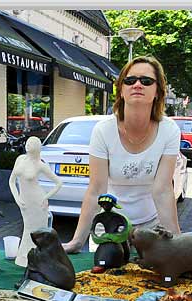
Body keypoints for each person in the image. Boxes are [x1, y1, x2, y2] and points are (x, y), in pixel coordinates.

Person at [63, 56, 181, 254]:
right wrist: (76, 241)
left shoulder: (169, 130)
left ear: (158, 91)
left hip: (150, 229)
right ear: (121, 90)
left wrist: (178, 241)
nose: (137, 85)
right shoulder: (103, 130)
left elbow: (162, 191)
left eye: (146, 81)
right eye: (130, 80)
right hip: (109, 227)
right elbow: (96, 190)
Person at [9, 136, 63, 267]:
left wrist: (46, 197)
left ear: (37, 147)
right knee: (27, 227)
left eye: (32, 143)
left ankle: (34, 258)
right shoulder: (20, 159)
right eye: (28, 142)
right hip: (24, 201)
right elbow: (11, 181)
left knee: (35, 230)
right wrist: (17, 198)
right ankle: (24, 256)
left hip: (37, 202)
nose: (28, 145)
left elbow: (58, 183)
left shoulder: (40, 165)